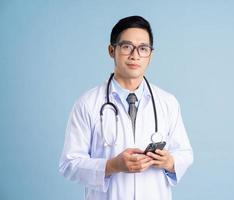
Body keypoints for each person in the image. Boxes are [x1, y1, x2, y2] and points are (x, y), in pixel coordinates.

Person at [59, 15, 193, 200]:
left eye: (143, 48)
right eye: (127, 46)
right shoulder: (87, 103)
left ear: (150, 55)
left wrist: (170, 162)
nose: (135, 55)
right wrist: (112, 166)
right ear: (111, 50)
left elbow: (184, 153)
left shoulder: (168, 102)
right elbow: (69, 164)